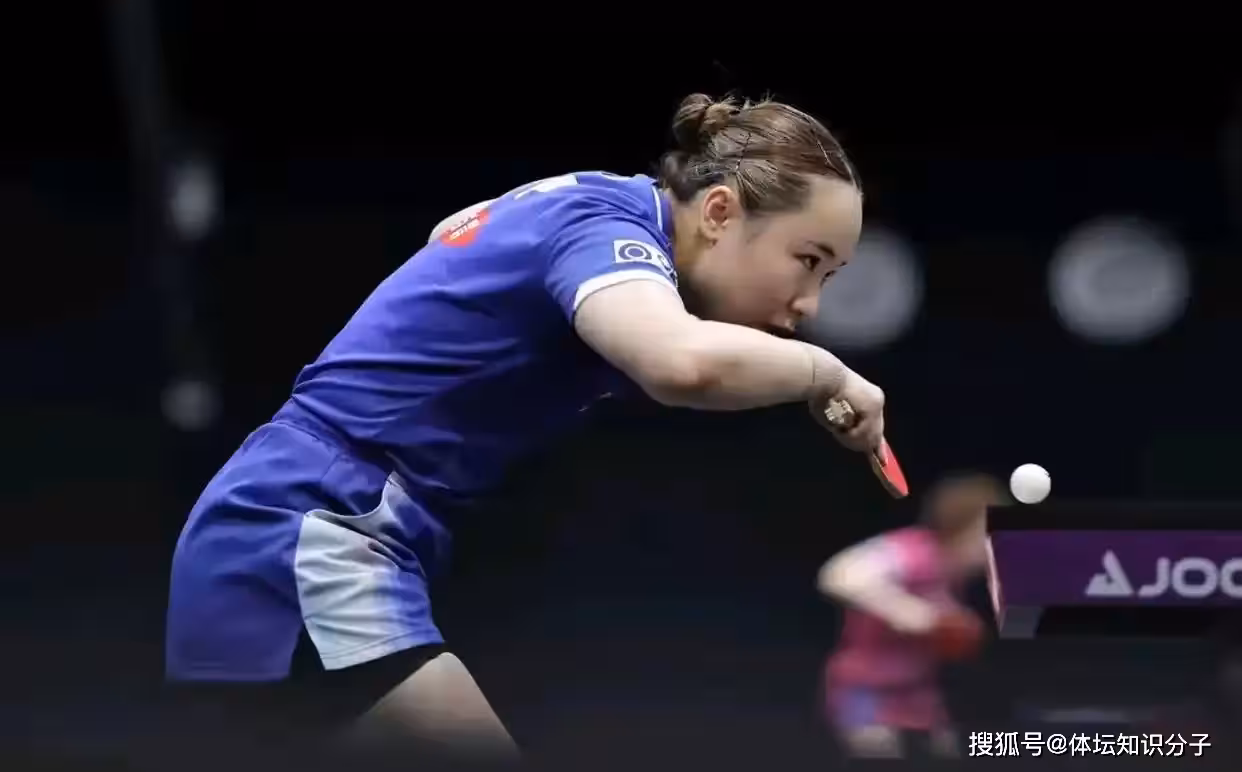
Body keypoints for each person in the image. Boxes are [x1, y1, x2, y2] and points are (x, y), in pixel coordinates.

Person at [165, 92, 884, 766]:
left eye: (828, 276)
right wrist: (825, 374)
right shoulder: (604, 229)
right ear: (720, 212)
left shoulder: (586, 202)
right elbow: (679, 364)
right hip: (315, 522)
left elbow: (450, 234)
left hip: (303, 518)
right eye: (808, 261)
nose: (809, 305)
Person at [816, 473, 1005, 760]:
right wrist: (912, 613)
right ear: (959, 527)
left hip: (916, 694)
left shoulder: (953, 575)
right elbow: (839, 575)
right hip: (866, 690)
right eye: (985, 536)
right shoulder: (913, 551)